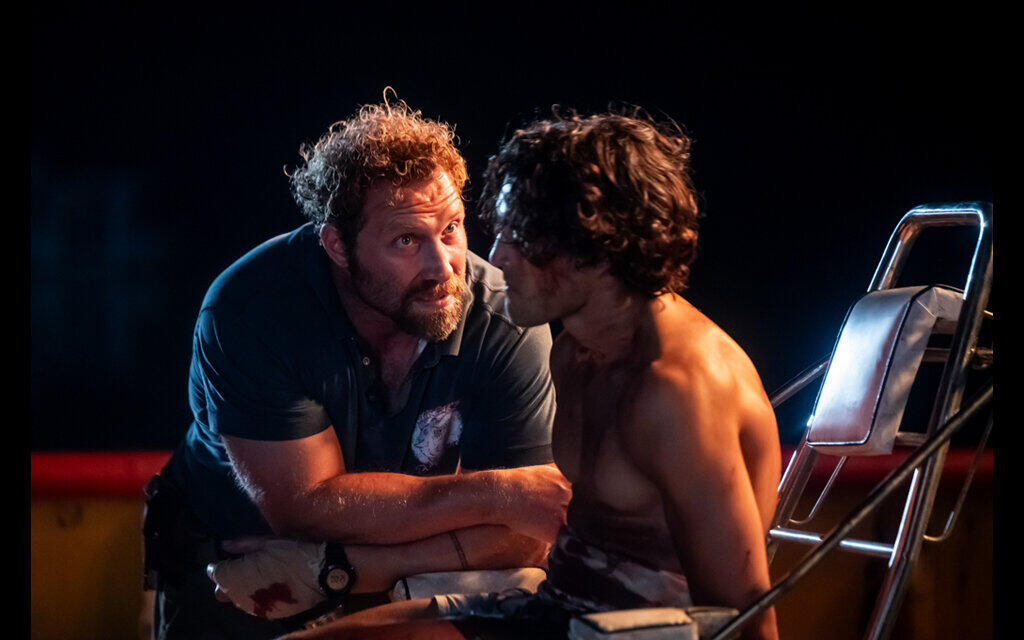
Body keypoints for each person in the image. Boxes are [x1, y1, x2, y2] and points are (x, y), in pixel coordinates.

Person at [256, 110, 782, 640]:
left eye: (521, 238)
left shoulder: (678, 390)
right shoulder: (577, 352)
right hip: (553, 614)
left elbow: (744, 616)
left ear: (597, 250)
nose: (496, 255)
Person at [144, 96, 571, 640]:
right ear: (337, 246)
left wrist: (339, 568)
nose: (442, 266)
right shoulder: (252, 309)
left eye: (451, 229)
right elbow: (303, 508)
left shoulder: (505, 319)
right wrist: (498, 494)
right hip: (239, 576)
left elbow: (532, 530)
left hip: (398, 577)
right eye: (405, 240)